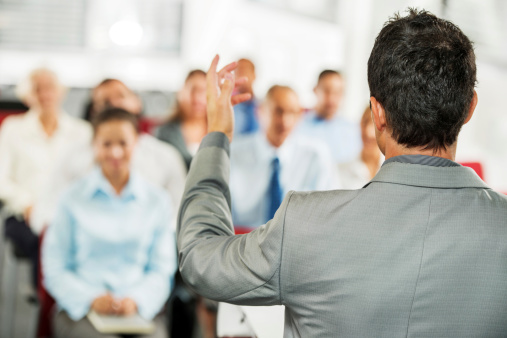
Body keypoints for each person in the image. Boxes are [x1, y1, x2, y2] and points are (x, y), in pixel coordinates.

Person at [177, 9, 507, 337]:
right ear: (469, 108)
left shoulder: (306, 223)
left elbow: (200, 257)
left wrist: (217, 133)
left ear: (377, 113)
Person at [43, 108, 175, 338]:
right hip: (81, 311)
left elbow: (162, 269)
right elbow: (55, 266)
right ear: (94, 145)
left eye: (123, 143)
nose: (115, 152)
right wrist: (90, 299)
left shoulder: (157, 201)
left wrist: (136, 300)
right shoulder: (71, 198)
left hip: (138, 310)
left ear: (136, 144)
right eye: (106, 144)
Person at [30, 78, 186, 233]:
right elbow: (45, 210)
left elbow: (180, 213)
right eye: (105, 101)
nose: (114, 104)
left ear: (137, 103)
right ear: (93, 111)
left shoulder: (166, 156)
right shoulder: (71, 155)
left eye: (121, 97)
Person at [0, 68, 91, 287]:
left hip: (71, 214)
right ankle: (46, 298)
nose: (45, 95)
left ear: (61, 92)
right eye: (37, 89)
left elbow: (88, 179)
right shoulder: (12, 129)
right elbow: (2, 180)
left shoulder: (82, 132)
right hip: (25, 215)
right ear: (27, 94)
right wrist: (26, 204)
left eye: (50, 88)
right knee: (46, 240)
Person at [230, 85, 338, 228]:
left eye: (292, 113)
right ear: (260, 111)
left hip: (298, 243)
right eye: (278, 111)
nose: (285, 121)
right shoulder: (233, 153)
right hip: (242, 241)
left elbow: (331, 212)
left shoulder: (315, 156)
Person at [295, 69, 362, 164]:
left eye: (337, 92)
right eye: (326, 91)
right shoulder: (297, 125)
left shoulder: (354, 131)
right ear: (315, 90)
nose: (331, 99)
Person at [157, 70, 208, 170]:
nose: (197, 98)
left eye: (203, 91)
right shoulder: (164, 133)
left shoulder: (218, 132)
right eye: (193, 90)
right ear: (181, 93)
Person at [339, 105, 383, 189]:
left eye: (375, 124)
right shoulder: (341, 171)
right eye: (365, 122)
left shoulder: (393, 169)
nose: (368, 132)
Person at [232, 58, 260, 136]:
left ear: (254, 75)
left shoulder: (263, 106)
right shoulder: (227, 106)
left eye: (244, 71)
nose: (240, 75)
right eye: (237, 72)